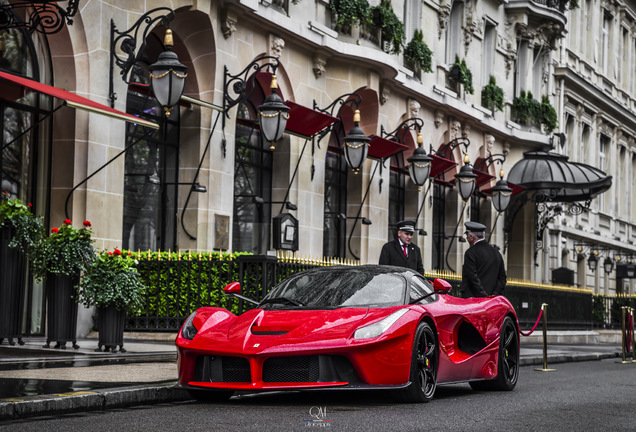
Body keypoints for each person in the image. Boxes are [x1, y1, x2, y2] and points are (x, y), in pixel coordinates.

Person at [460, 221, 507, 297]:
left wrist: (484, 295)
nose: (466, 238)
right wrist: (493, 295)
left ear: (471, 237)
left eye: (467, 236)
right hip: (491, 302)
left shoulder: (470, 253)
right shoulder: (496, 253)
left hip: (473, 301)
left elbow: (472, 277)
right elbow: (502, 278)